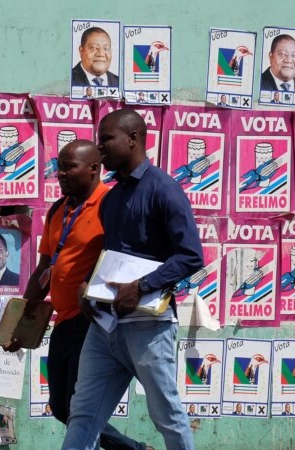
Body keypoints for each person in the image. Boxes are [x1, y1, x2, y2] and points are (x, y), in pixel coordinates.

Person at [62, 110, 203, 450]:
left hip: (148, 328)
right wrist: (88, 286)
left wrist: (141, 287)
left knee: (166, 415)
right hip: (106, 327)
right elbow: (111, 255)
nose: (100, 147)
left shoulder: (164, 190)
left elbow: (191, 256)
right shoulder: (112, 198)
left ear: (133, 139)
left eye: (106, 139)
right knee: (82, 413)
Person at [4, 139, 149, 450]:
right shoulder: (58, 210)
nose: (61, 174)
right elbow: (45, 268)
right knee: (61, 406)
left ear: (94, 168)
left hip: (94, 323)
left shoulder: (111, 205)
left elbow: (125, 259)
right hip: (63, 321)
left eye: (69, 167)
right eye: (59, 168)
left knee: (79, 407)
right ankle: (135, 449)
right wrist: (21, 321)